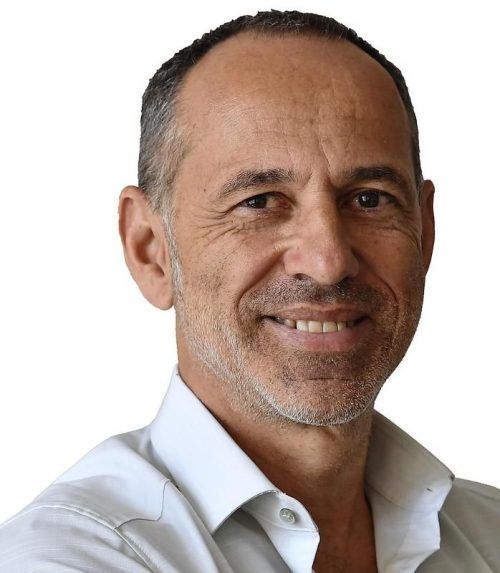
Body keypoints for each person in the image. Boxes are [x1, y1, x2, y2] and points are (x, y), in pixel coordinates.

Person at [0, 9, 498, 573]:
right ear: (150, 250)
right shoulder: (69, 559)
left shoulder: (490, 532)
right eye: (258, 202)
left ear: (425, 231)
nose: (329, 262)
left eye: (369, 199)